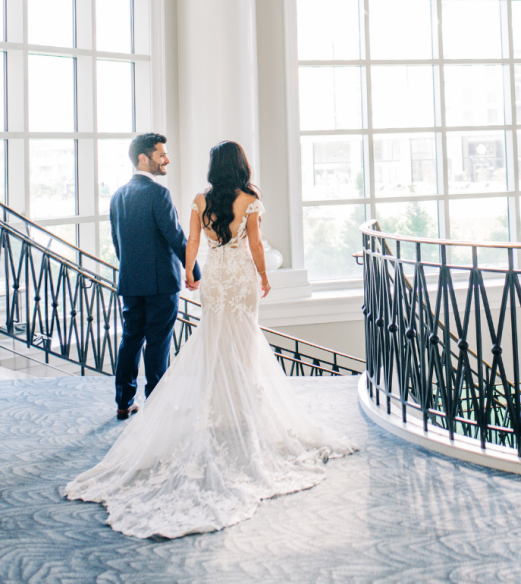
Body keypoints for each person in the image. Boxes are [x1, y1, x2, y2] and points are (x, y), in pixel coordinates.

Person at [65, 140, 356, 539]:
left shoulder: (196, 199)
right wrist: (265, 278)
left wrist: (191, 273)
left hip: (208, 280)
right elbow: (254, 244)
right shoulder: (250, 198)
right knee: (240, 340)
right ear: (240, 165)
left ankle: (179, 401)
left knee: (203, 338)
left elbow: (191, 242)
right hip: (239, 278)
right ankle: (237, 406)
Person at [110, 132, 201, 421]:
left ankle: (124, 402)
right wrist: (193, 271)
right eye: (161, 155)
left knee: (131, 339)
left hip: (130, 281)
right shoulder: (158, 193)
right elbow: (175, 236)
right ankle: (156, 404)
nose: (167, 160)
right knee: (158, 342)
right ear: (143, 158)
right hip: (161, 284)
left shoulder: (117, 196)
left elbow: (117, 242)